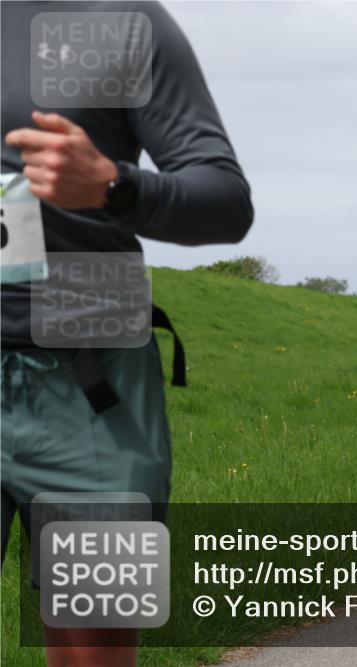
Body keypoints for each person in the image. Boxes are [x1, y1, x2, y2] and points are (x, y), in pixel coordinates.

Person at [1, 3, 253, 664]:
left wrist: (115, 184)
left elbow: (224, 200)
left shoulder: (118, 21)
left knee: (94, 646)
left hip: (93, 383)